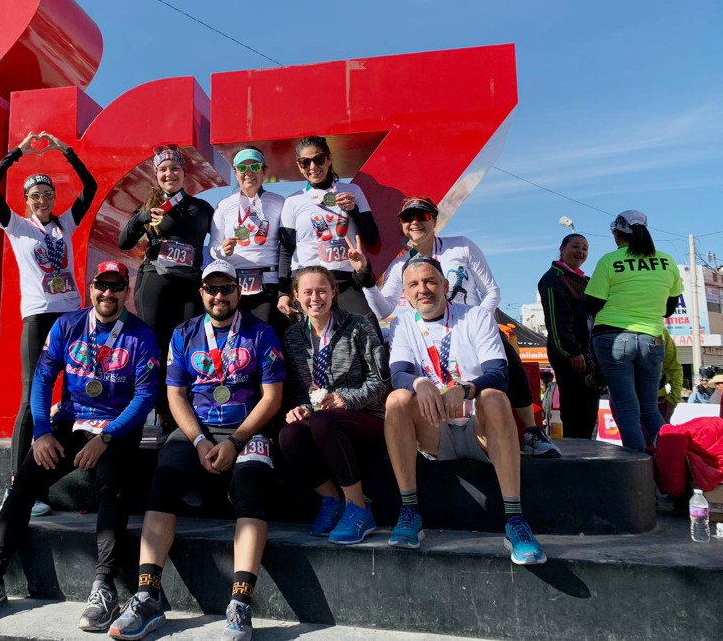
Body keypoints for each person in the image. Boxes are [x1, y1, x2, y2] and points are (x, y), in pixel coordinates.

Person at [0, 261, 160, 632]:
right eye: (102, 285)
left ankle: (104, 588)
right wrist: (41, 432)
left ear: (127, 292)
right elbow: (41, 379)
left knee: (112, 485)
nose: (108, 294)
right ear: (90, 288)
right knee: (21, 483)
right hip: (68, 422)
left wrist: (107, 437)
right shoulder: (67, 325)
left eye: (117, 287)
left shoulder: (141, 335)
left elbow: (145, 396)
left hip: (115, 427)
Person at [109, 260, 284, 641]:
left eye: (226, 289)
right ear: (201, 292)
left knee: (252, 488)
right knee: (163, 484)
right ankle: (148, 596)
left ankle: (239, 603)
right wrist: (202, 441)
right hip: (196, 432)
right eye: (212, 289)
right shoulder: (183, 333)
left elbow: (272, 398)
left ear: (239, 291)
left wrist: (236, 441)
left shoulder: (262, 333)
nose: (219, 296)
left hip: (245, 431)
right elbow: (175, 395)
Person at [355, 196, 560, 458]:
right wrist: (365, 277)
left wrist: (477, 323)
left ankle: (532, 431)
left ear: (435, 220)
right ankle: (409, 438)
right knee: (397, 370)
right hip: (429, 333)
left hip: (470, 328)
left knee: (505, 355)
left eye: (424, 216)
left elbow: (492, 291)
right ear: (402, 225)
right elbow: (384, 309)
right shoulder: (400, 266)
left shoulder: (462, 247)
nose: (416, 222)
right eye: (409, 218)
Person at [383, 256, 546, 565]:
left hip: (478, 429)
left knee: (495, 397)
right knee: (397, 400)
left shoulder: (475, 317)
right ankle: (409, 511)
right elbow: (398, 374)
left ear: (446, 285)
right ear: (406, 293)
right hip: (436, 432)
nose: (423, 290)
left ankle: (515, 520)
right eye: (414, 285)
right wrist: (419, 382)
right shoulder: (403, 324)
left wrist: (466, 388)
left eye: (430, 281)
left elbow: (499, 372)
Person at [0, 130, 97, 516]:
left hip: (70, 314)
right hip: (37, 314)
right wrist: (19, 152)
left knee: (73, 394)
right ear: (26, 200)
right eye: (36, 195)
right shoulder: (16, 226)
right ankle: (18, 486)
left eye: (48, 194)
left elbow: (91, 186)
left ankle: (52, 481)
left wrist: (66, 153)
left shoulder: (64, 223)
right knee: (33, 396)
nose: (44, 200)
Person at [278, 265, 390, 544]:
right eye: (307, 292)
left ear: (333, 292)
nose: (315, 298)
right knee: (289, 435)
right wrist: (302, 407)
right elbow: (302, 390)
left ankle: (359, 508)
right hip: (322, 420)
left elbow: (380, 381)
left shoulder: (358, 325)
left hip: (366, 418)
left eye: (321, 291)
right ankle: (331, 500)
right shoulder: (293, 336)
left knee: (321, 420)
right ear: (296, 296)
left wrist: (346, 399)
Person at [119, 145, 214, 422]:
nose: (169, 174)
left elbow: (220, 245)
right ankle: (157, 414)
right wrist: (141, 218)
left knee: (188, 346)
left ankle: (183, 416)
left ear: (185, 173)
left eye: (174, 168)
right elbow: (124, 242)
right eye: (162, 169)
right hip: (155, 281)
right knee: (155, 346)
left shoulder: (202, 208)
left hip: (189, 284)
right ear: (156, 175)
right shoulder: (150, 206)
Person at [585, 211, 683, 452]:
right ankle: (672, 469)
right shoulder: (666, 261)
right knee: (650, 409)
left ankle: (637, 475)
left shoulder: (609, 261)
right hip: (652, 338)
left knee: (628, 408)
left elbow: (591, 304)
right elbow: (670, 309)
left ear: (618, 235)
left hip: (612, 337)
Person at [277, 136, 379, 327]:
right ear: (299, 166)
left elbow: (372, 238)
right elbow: (285, 250)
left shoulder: (352, 191)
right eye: (305, 162)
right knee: (307, 341)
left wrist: (354, 210)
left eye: (319, 159)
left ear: (329, 159)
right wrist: (283, 293)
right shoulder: (293, 201)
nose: (313, 167)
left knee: (368, 326)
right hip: (307, 281)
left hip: (343, 279)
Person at [209, 147, 286, 329]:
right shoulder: (224, 205)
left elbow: (287, 246)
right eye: (242, 168)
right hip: (234, 286)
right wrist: (223, 250)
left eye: (255, 167)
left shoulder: (279, 201)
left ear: (264, 171)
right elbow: (213, 247)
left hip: (268, 282)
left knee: (265, 337)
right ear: (235, 173)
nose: (249, 173)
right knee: (237, 339)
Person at [537, 233, 600, 438]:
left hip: (588, 353)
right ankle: (576, 453)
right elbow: (557, 321)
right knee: (575, 407)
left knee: (589, 408)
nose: (580, 251)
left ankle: (587, 448)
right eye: (575, 246)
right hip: (571, 353)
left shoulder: (585, 280)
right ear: (562, 249)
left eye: (585, 248)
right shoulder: (553, 278)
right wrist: (571, 351)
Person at [657, 329, 682, 423]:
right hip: (622, 398)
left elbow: (674, 367)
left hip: (657, 401)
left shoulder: (659, 331)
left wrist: (673, 399)